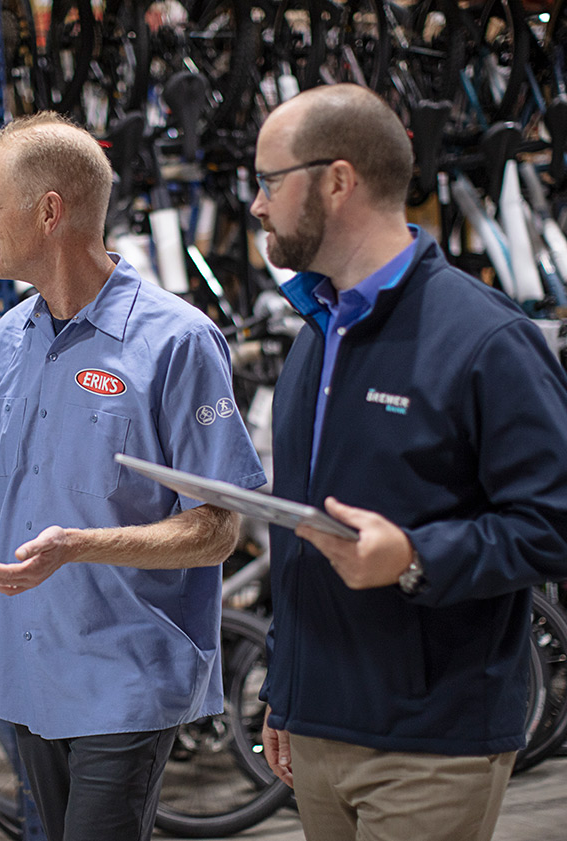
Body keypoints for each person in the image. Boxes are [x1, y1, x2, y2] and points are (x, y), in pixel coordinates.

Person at [249, 82, 567, 841]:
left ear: (337, 180)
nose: (257, 206)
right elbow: (303, 536)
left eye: (268, 182)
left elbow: (552, 522)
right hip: (317, 721)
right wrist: (286, 688)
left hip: (431, 739)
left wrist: (417, 557)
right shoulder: (316, 335)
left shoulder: (485, 339)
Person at [0, 112, 266, 841]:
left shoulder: (177, 340)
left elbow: (217, 529)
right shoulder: (9, 339)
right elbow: (13, 506)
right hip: (32, 676)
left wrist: (82, 545)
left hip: (127, 673)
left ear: (49, 211)